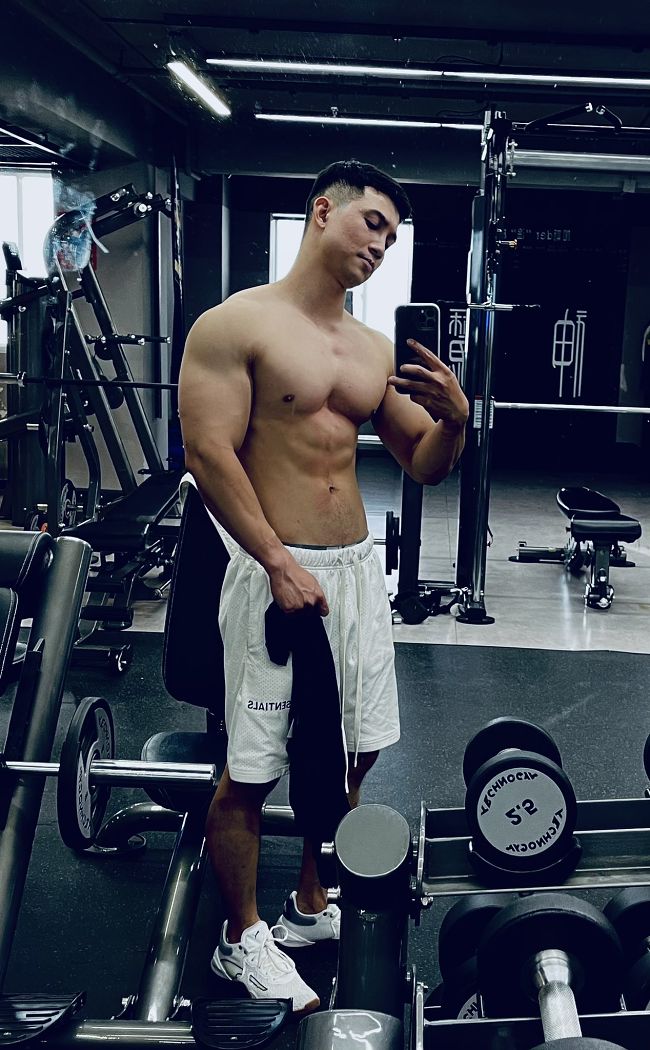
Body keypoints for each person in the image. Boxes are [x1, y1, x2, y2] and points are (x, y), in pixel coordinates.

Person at [178, 159, 469, 1014]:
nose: (381, 245)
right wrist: (276, 561)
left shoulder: (371, 349)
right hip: (275, 573)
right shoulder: (235, 325)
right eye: (372, 223)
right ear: (321, 211)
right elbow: (208, 453)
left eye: (393, 237)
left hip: (355, 575)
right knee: (251, 768)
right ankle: (240, 939)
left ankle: (308, 904)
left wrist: (458, 419)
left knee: (353, 751)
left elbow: (424, 464)